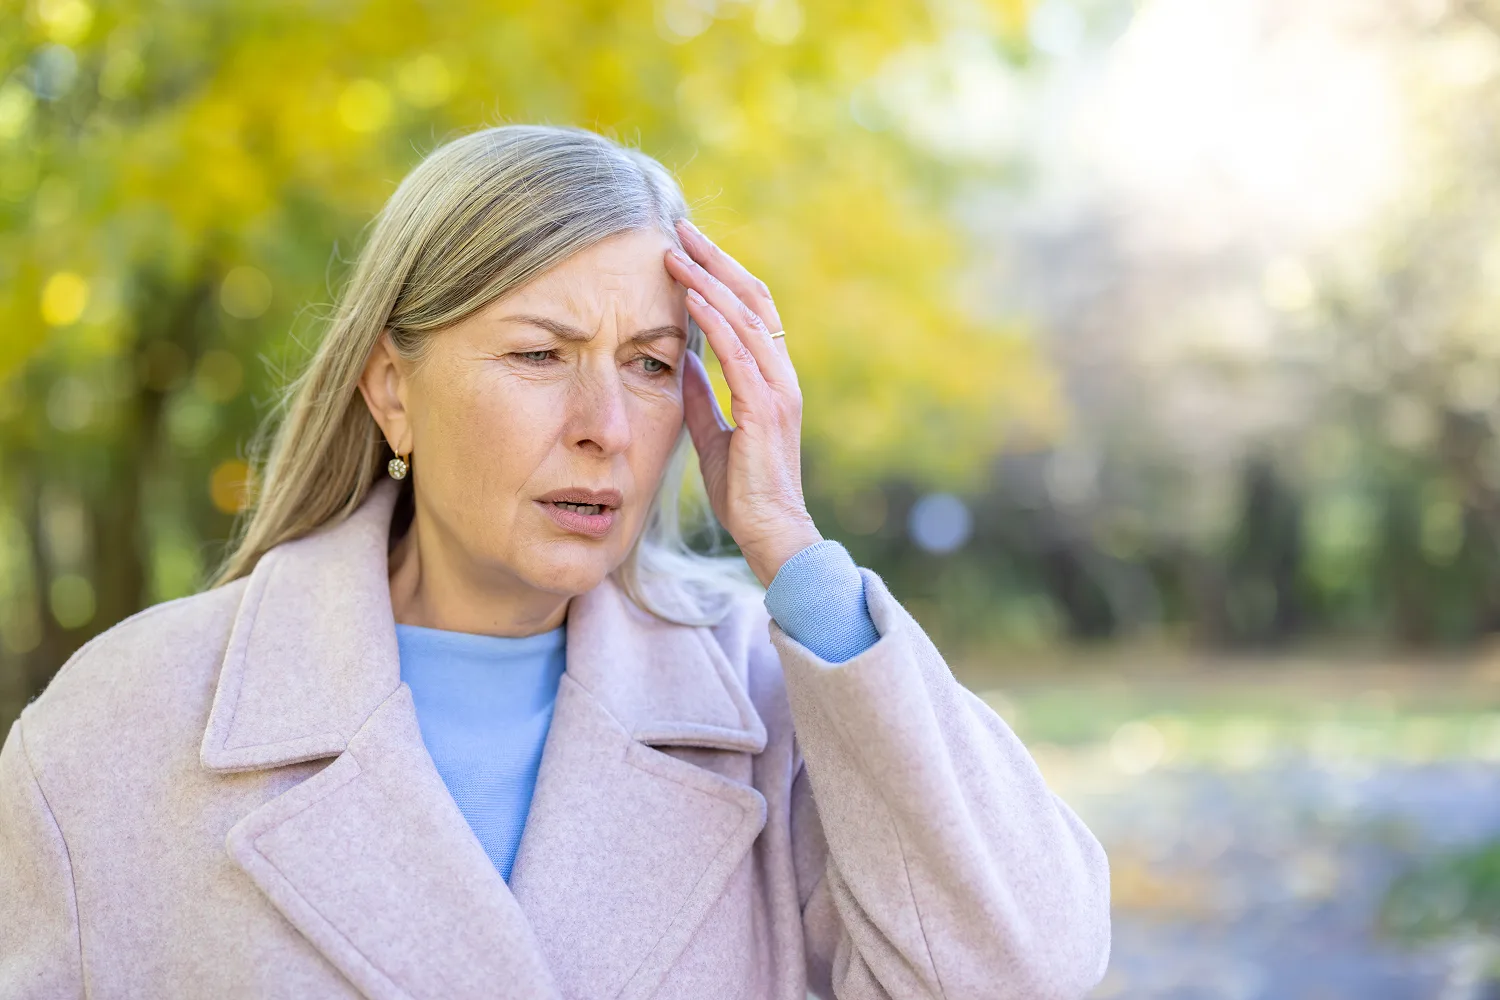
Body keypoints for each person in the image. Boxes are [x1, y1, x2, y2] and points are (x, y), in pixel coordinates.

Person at [0, 124, 1111, 999]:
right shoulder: (124, 724)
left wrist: (793, 549)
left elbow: (1021, 971)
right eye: (540, 354)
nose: (605, 427)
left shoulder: (767, 703)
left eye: (650, 364)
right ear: (393, 392)